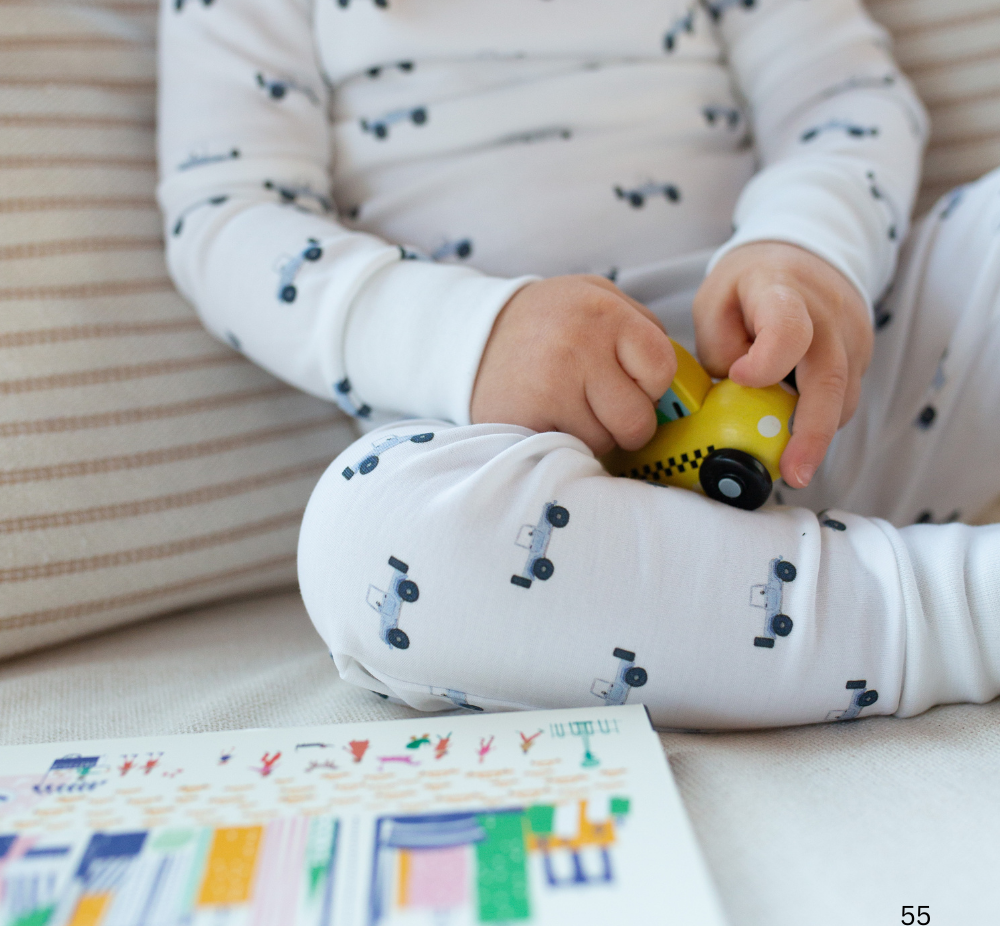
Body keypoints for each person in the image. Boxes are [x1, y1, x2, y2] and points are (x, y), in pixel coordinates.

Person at [158, 0, 1000, 729]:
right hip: (542, 486)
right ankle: (954, 605)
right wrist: (474, 338)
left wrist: (808, 249)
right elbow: (231, 219)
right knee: (363, 545)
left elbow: (842, 95)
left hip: (821, 388)